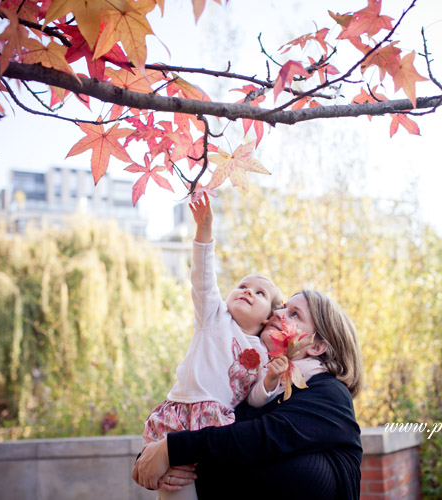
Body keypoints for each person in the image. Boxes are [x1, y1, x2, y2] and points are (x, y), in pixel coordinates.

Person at [133, 289, 365, 500]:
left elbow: (262, 437)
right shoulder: (251, 383)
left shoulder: (330, 394)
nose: (279, 312)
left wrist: (171, 449)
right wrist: (157, 460)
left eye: (295, 314)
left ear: (316, 347)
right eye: (283, 306)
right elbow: (201, 424)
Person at [141, 194, 282, 500]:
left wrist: (270, 381)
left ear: (269, 316)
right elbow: (203, 278)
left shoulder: (262, 353)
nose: (247, 291)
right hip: (182, 409)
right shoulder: (214, 316)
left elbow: (255, 398)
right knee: (173, 485)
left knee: (212, 485)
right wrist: (204, 232)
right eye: (242, 286)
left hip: (216, 422)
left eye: (259, 292)